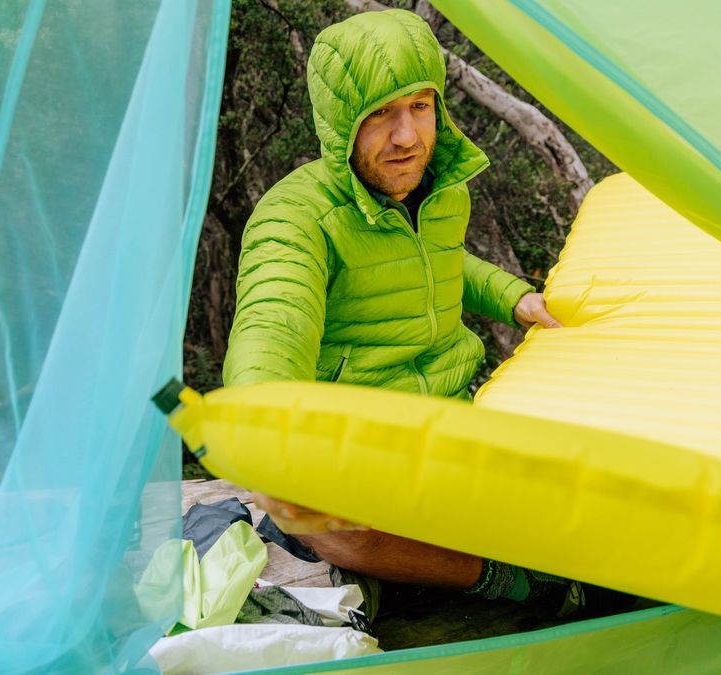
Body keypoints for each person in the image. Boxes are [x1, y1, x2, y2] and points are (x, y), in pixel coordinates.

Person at [221, 9, 593, 616]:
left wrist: (513, 296)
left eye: (420, 107)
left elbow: (444, 260)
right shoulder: (295, 218)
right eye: (380, 115)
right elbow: (272, 321)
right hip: (361, 450)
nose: (407, 137)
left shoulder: (443, 191)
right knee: (321, 520)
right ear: (341, 122)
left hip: (455, 423)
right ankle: (512, 580)